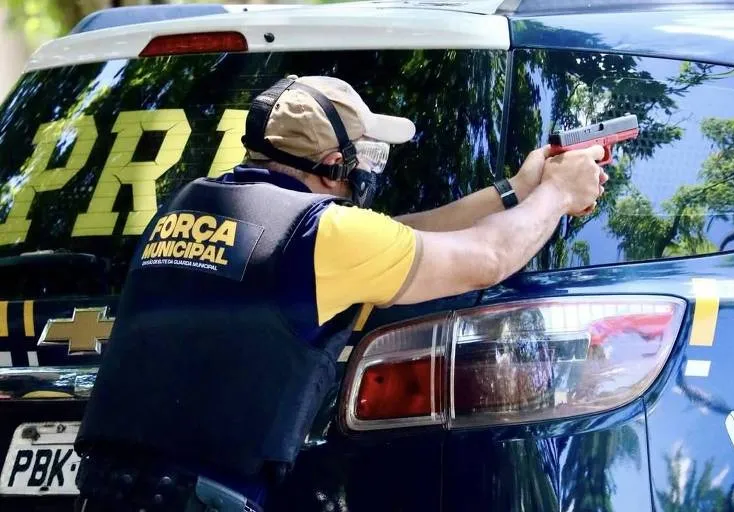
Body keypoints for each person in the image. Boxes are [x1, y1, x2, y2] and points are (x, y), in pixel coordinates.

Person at [73, 75, 607, 511]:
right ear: (334, 165)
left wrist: (515, 191)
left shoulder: (189, 208)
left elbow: (400, 235)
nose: (369, 169)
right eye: (365, 155)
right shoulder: (323, 237)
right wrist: (559, 194)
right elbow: (487, 259)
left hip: (109, 493)